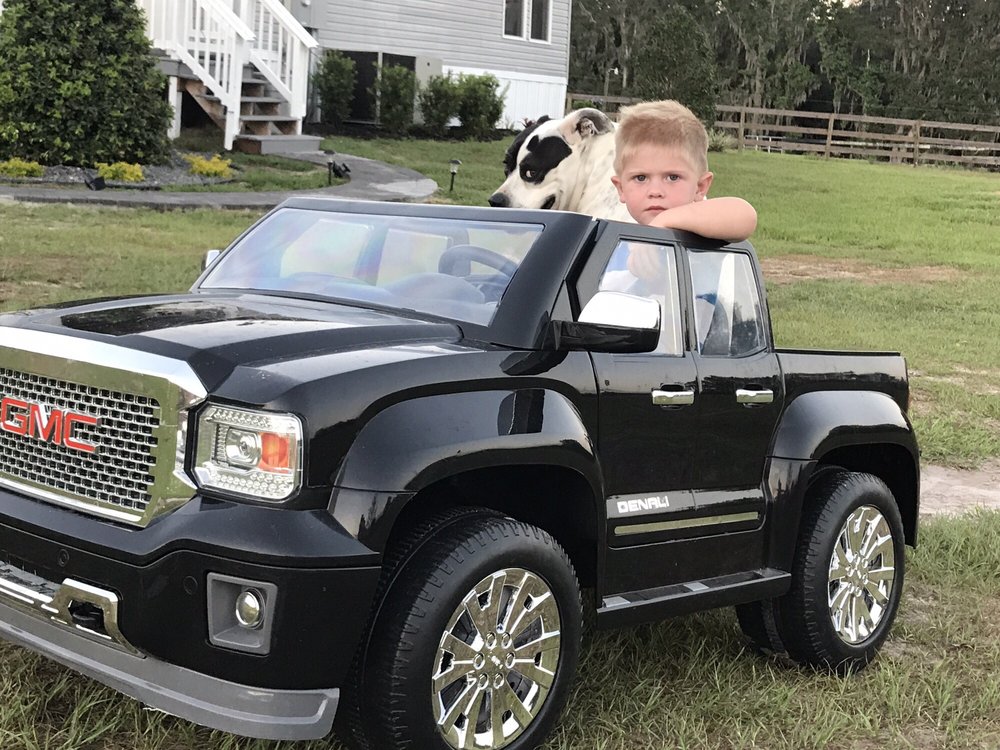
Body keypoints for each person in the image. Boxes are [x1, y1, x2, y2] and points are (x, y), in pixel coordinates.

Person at [609, 100, 756, 280]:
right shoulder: (610, 244)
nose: (655, 191)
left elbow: (745, 215)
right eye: (640, 178)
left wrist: (663, 222)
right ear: (621, 188)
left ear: (700, 187)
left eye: (672, 177)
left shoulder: (700, 233)